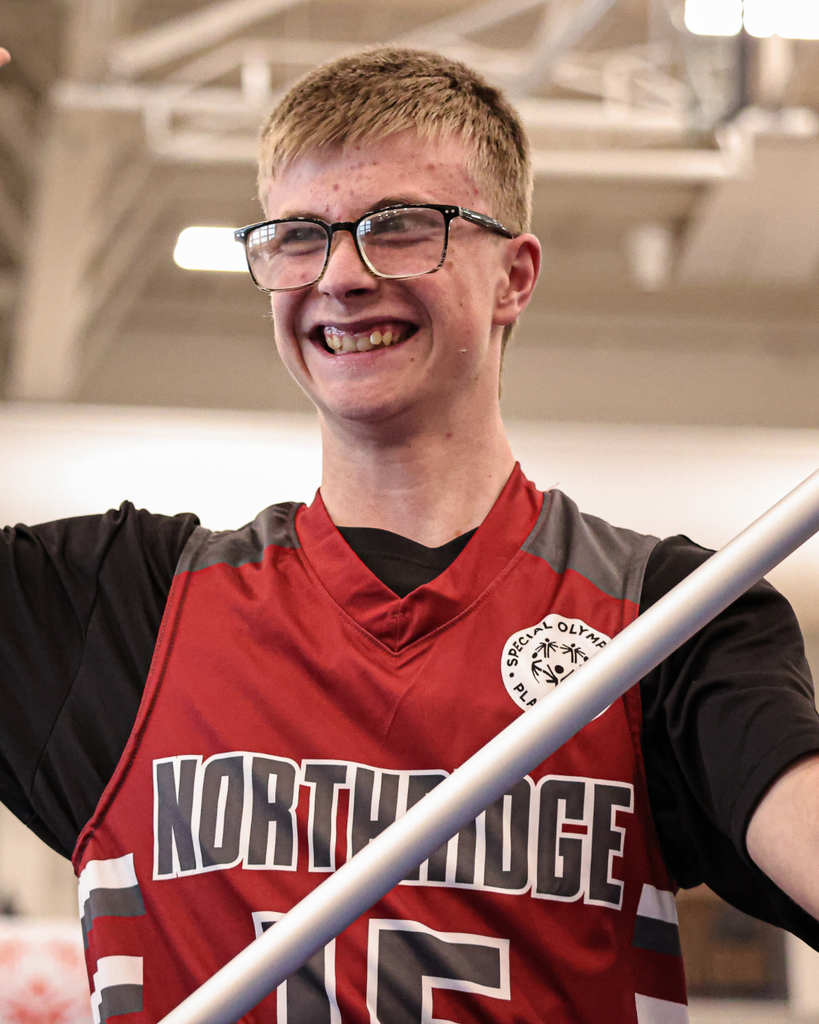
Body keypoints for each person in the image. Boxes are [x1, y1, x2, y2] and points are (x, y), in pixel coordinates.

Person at [2, 46, 819, 1024]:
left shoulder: (671, 617)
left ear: (515, 276)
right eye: (298, 236)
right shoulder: (119, 613)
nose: (340, 276)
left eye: (399, 228)